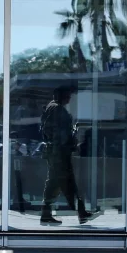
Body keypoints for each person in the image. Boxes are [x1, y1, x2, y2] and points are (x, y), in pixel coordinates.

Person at [39, 86, 91, 225]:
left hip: (56, 152)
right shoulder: (57, 109)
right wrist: (70, 143)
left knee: (56, 182)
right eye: (67, 96)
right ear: (60, 96)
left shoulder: (52, 108)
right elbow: (61, 134)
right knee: (65, 182)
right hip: (59, 152)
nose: (69, 99)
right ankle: (80, 212)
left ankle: (79, 212)